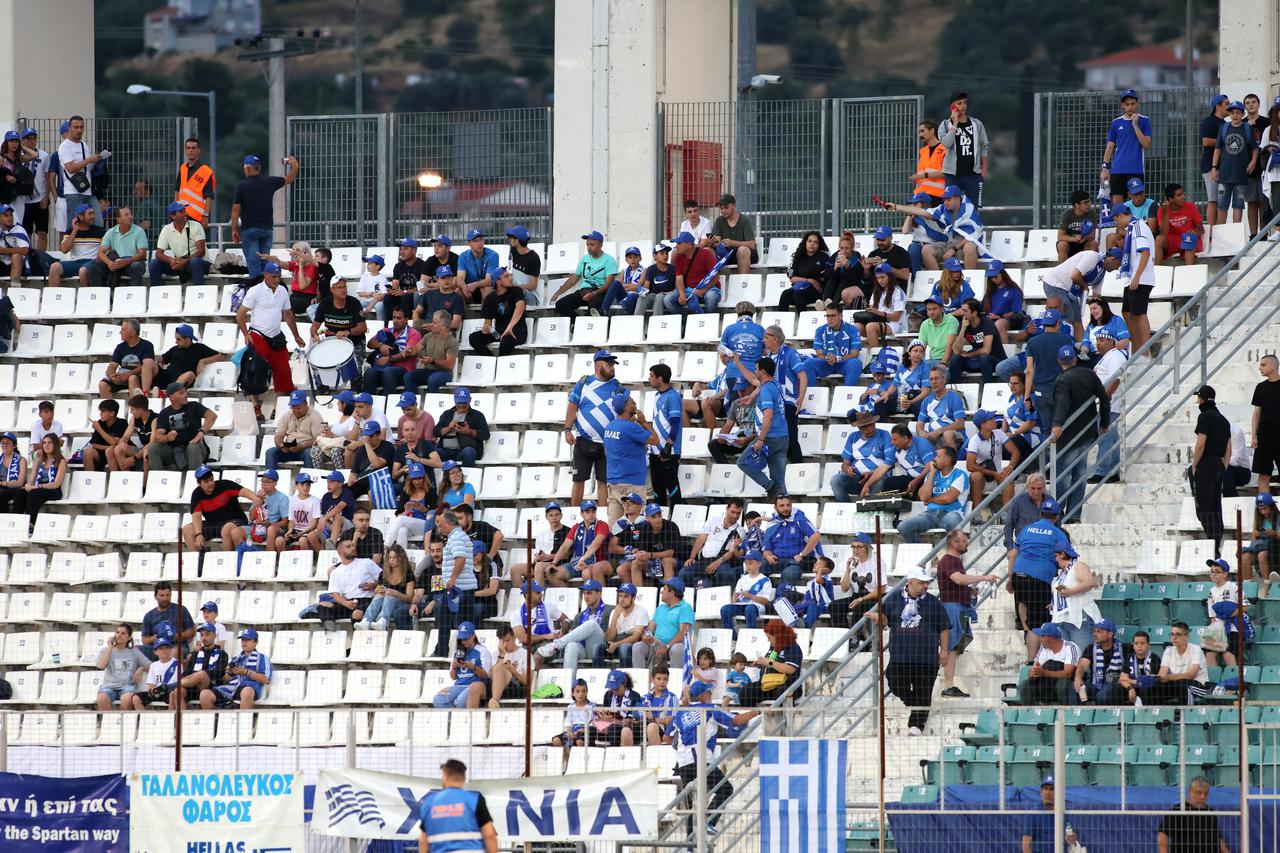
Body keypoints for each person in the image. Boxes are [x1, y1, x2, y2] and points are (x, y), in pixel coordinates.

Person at [670, 681, 759, 839]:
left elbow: (667, 736)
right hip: (701, 759)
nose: (711, 695)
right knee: (725, 789)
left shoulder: (679, 713)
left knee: (691, 805)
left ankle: (691, 845)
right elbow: (737, 720)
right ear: (702, 696)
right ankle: (709, 821)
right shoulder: (709, 709)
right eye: (709, 693)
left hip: (683, 761)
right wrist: (758, 711)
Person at [1050, 344, 1111, 524]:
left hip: (1069, 436)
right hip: (1087, 433)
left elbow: (1062, 404)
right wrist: (1105, 422)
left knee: (1062, 476)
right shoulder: (1089, 373)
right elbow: (1104, 397)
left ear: (1059, 361)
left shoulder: (1062, 380)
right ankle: (1075, 514)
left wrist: (1056, 424)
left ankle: (1057, 514)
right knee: (1079, 475)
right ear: (1075, 359)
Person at [936, 530, 998, 698]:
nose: (966, 543)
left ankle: (949, 684)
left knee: (954, 647)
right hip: (952, 609)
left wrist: (970, 591)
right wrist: (984, 578)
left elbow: (958, 584)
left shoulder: (955, 560)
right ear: (955, 543)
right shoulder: (949, 561)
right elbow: (958, 579)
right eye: (963, 540)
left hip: (957, 608)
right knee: (951, 646)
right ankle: (948, 684)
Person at [236, 261, 307, 398]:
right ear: (265, 275)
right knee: (254, 370)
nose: (277, 279)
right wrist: (246, 334)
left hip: (275, 335)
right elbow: (240, 315)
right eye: (274, 276)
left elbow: (288, 315)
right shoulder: (255, 291)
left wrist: (296, 336)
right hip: (257, 333)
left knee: (283, 372)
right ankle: (256, 407)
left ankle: (279, 408)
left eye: (279, 276)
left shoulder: (282, 291)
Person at [565, 349, 621, 509]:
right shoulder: (583, 383)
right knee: (578, 479)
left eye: (613, 364)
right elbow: (572, 407)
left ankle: (603, 515)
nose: (613, 368)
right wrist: (567, 429)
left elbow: (626, 410)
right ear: (598, 365)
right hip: (584, 441)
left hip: (608, 443)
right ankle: (574, 515)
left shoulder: (617, 386)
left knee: (603, 481)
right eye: (609, 364)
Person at [230, 154, 299, 280]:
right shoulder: (269, 182)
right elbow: (288, 179)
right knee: (265, 263)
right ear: (259, 168)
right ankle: (266, 291)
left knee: (254, 266)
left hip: (249, 230)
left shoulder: (242, 185)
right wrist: (295, 167)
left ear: (248, 168)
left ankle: (258, 292)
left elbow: (235, 210)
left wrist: (234, 229)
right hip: (267, 229)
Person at [416, 759, 500, 853]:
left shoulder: (429, 803)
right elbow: (489, 835)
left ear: (445, 776)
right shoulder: (475, 800)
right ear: (463, 779)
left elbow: (423, 842)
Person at [602, 390, 660, 522]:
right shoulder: (632, 427)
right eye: (631, 401)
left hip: (613, 481)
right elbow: (655, 440)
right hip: (632, 483)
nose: (634, 402)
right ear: (626, 408)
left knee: (614, 527)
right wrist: (644, 422)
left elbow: (606, 452)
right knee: (637, 526)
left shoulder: (609, 427)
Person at [538, 579, 612, 683]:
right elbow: (573, 635)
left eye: (589, 593)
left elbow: (608, 634)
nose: (586, 597)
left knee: (592, 624)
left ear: (599, 593)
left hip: (599, 647)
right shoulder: (579, 616)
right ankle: (569, 685)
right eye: (585, 593)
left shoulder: (610, 609)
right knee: (571, 645)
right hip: (582, 649)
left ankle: (556, 645)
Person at [739, 356, 790, 496]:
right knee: (779, 479)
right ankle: (782, 502)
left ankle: (769, 486)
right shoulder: (775, 385)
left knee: (743, 462)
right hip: (782, 437)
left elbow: (768, 416)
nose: (754, 372)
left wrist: (760, 440)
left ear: (762, 372)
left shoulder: (766, 390)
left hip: (769, 438)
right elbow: (760, 385)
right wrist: (751, 397)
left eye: (756, 370)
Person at [897, 446, 969, 543]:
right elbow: (923, 496)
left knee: (954, 525)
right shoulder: (931, 475)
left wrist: (930, 500)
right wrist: (931, 474)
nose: (934, 459)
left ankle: (953, 557)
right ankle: (925, 555)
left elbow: (948, 498)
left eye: (938, 456)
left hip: (951, 513)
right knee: (904, 526)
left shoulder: (960, 475)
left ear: (947, 461)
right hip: (929, 515)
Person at [1191, 384, 1231, 556]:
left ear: (1202, 399)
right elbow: (1229, 448)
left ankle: (1213, 545)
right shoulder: (1223, 419)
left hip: (1206, 463)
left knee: (1204, 506)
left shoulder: (1205, 417)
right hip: (1218, 464)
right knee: (1216, 505)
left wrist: (1194, 465)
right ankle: (1216, 540)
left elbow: (1201, 444)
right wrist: (1224, 466)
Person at [1098, 88, 1153, 205]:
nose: (1130, 107)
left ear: (1137, 104)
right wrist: (1104, 168)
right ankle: (1119, 223)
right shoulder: (1116, 122)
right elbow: (1110, 146)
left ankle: (1135, 223)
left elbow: (1146, 144)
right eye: (1127, 104)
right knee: (1117, 201)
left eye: (1132, 104)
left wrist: (1135, 125)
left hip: (1136, 168)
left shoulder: (1144, 120)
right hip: (1118, 169)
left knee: (1137, 201)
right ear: (1122, 105)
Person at [797, 305, 862, 402]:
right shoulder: (820, 330)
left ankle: (846, 398)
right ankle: (810, 398)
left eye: (833, 316)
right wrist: (828, 358)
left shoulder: (853, 330)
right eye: (827, 316)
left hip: (844, 363)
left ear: (840, 316)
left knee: (856, 363)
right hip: (826, 363)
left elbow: (854, 354)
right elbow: (819, 353)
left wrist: (837, 359)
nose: (829, 319)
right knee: (808, 363)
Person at [1023, 309, 1074, 432]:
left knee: (1046, 430)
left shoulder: (1033, 342)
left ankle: (1048, 451)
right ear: (1058, 323)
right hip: (1061, 390)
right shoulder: (1066, 340)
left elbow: (1029, 371)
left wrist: (1027, 396)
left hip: (1041, 391)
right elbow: (1071, 366)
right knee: (1063, 428)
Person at [147, 383, 216, 473]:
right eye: (181, 393)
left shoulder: (194, 406)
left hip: (196, 447)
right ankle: (159, 478)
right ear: (172, 397)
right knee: (153, 447)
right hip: (175, 450)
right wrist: (167, 437)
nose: (186, 395)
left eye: (185, 392)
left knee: (193, 446)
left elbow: (212, 416)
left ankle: (194, 479)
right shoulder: (164, 413)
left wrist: (201, 432)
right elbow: (158, 436)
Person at [938, 92, 989, 206]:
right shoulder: (945, 125)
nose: (963, 106)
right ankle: (951, 224)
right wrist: (954, 124)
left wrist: (984, 168)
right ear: (952, 106)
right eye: (959, 103)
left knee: (973, 207)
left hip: (973, 174)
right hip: (952, 175)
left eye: (965, 103)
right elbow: (947, 143)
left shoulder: (977, 124)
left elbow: (984, 145)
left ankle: (971, 224)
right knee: (949, 206)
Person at [551, 229, 618, 315]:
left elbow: (609, 283)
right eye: (587, 244)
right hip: (584, 292)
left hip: (600, 293)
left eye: (592, 244)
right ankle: (578, 323)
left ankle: (586, 325)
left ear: (600, 245)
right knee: (561, 304)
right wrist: (558, 293)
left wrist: (594, 293)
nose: (589, 248)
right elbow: (574, 278)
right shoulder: (584, 259)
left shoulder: (609, 260)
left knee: (592, 308)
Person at [1213, 101, 1258, 225]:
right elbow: (1217, 149)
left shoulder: (1248, 128)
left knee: (1238, 205)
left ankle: (1235, 233)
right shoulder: (1224, 128)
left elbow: (1254, 148)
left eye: (1238, 113)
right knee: (1222, 206)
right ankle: (1221, 233)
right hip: (1224, 173)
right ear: (1229, 114)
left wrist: (1253, 162)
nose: (1235, 115)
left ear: (1243, 114)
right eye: (1232, 113)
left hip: (1241, 173)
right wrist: (1214, 168)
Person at [831, 411, 895, 501]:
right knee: (836, 480)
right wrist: (848, 469)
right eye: (865, 426)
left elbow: (891, 463)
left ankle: (871, 510)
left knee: (880, 481)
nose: (869, 428)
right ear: (859, 427)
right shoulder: (853, 437)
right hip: (857, 478)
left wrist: (873, 473)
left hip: (877, 476)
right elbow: (845, 464)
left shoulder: (884, 435)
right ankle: (846, 509)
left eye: (871, 424)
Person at [1156, 777, 1229, 853]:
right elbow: (1163, 835)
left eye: (1206, 794)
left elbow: (1218, 838)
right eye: (1199, 793)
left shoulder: (1210, 812)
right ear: (1190, 791)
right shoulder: (1178, 810)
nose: (1203, 797)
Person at [761, 495, 822, 586]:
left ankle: (781, 597)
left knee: (788, 574)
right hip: (778, 560)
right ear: (775, 507)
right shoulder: (772, 524)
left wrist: (802, 555)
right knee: (757, 569)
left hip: (797, 561)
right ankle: (753, 597)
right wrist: (769, 556)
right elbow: (767, 550)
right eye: (782, 506)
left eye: (788, 505)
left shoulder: (799, 519)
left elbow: (816, 536)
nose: (786, 508)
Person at [634, 577, 693, 670]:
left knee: (678, 649)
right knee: (638, 646)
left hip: (674, 644)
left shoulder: (685, 608)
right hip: (656, 642)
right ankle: (640, 680)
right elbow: (650, 628)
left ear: (672, 593)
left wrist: (667, 646)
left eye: (664, 589)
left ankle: (673, 680)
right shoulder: (661, 607)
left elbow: (683, 633)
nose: (661, 592)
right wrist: (645, 635)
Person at [149, 201, 210, 286]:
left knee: (194, 262)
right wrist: (171, 260)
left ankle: (198, 295)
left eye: (184, 210)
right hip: (180, 263)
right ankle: (160, 294)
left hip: (200, 262)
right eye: (181, 211)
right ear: (173, 216)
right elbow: (159, 254)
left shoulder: (196, 225)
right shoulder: (166, 229)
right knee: (154, 263)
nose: (185, 213)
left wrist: (184, 261)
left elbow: (201, 251)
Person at [148, 324, 223, 393]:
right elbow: (162, 359)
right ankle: (146, 392)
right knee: (149, 362)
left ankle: (168, 392)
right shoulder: (174, 349)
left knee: (190, 374)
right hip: (166, 377)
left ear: (187, 339)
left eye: (178, 339)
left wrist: (203, 361)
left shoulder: (199, 348)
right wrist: (159, 363)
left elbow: (220, 356)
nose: (176, 342)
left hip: (182, 380)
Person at [648, 364, 684, 506]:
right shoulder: (657, 395)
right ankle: (661, 523)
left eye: (651, 376)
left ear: (660, 379)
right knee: (657, 488)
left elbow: (675, 423)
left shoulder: (673, 396)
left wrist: (668, 445)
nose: (649, 379)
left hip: (669, 450)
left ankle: (676, 518)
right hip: (655, 449)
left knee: (671, 486)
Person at [468, 268, 527, 355]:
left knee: (506, 342)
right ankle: (491, 360)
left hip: (517, 330)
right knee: (473, 338)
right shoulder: (489, 298)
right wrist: (487, 328)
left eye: (510, 275)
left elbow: (520, 307)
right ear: (498, 281)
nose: (510, 278)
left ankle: (500, 364)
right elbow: (487, 323)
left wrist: (510, 327)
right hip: (499, 332)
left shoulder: (516, 290)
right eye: (506, 276)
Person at [1020, 622, 1079, 706]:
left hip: (1065, 685)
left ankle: (1066, 715)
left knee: (1063, 684)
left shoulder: (1070, 647)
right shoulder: (1043, 649)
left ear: (1051, 638)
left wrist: (1044, 673)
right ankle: (1031, 716)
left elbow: (1068, 673)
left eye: (1042, 636)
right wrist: (1033, 673)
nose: (1039, 639)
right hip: (1045, 686)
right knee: (1025, 685)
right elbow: (1032, 671)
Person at [171, 624, 230, 709]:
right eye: (202, 635)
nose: (204, 638)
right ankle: (182, 720)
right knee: (178, 691)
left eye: (207, 634)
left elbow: (218, 673)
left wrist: (199, 676)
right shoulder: (196, 654)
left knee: (202, 674)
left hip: (212, 686)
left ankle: (171, 686)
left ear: (214, 636)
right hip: (194, 687)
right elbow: (187, 672)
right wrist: (196, 677)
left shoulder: (222, 654)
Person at [57, 116, 104, 220]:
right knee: (74, 223)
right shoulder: (65, 146)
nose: (79, 130)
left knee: (98, 221)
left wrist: (97, 160)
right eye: (76, 127)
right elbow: (70, 168)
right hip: (73, 191)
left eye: (81, 127)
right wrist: (90, 160)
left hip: (87, 188)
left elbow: (86, 167)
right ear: (69, 128)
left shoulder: (84, 144)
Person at [14, 433, 65, 528]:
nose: (46, 445)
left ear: (55, 445)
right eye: (44, 443)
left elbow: (56, 484)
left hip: (53, 490)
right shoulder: (39, 460)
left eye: (49, 443)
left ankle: (30, 523)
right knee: (20, 493)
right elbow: (32, 480)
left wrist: (37, 487)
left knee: (34, 492)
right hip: (38, 488)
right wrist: (28, 486)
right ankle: (16, 522)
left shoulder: (61, 461)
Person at [664, 230, 721, 314]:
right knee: (667, 300)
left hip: (708, 288)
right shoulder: (679, 258)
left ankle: (707, 319)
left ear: (689, 244)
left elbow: (715, 277)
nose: (676, 246)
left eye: (679, 243)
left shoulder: (705, 254)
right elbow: (679, 279)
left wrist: (703, 290)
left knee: (711, 297)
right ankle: (685, 321)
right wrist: (682, 293)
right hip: (688, 290)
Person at [949, 298, 1005, 384]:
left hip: (995, 360)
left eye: (965, 311)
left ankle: (988, 387)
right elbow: (956, 351)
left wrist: (969, 355)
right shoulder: (964, 323)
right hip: (977, 360)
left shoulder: (987, 323)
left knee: (984, 357)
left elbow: (986, 350)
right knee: (954, 359)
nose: (961, 313)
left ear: (974, 313)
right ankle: (956, 389)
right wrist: (963, 329)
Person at [404, 310, 460, 393]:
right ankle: (413, 402)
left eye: (434, 323)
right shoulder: (428, 336)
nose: (431, 324)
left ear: (443, 326)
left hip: (444, 373)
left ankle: (431, 403)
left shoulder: (452, 342)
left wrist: (433, 361)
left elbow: (449, 365)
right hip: (428, 371)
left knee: (433, 380)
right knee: (408, 376)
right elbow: (417, 348)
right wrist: (409, 351)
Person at [95, 623, 149, 711]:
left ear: (129, 637)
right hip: (109, 686)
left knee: (127, 699)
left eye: (123, 633)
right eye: (117, 632)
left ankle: (121, 723)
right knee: (101, 698)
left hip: (127, 687)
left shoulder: (134, 651)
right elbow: (101, 665)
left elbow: (151, 666)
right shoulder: (105, 650)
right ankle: (110, 723)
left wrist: (141, 668)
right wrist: (110, 647)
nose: (119, 635)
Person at [99, 319, 157, 399]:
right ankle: (110, 410)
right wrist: (112, 376)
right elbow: (112, 366)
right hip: (122, 376)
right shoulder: (120, 347)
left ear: (132, 333)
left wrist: (128, 374)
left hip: (138, 377)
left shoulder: (146, 345)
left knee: (132, 378)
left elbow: (147, 365)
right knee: (103, 385)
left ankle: (134, 408)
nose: (120, 332)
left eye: (123, 330)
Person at [49, 202, 104, 286]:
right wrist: (75, 231)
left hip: (92, 262)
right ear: (81, 217)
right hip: (75, 263)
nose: (93, 216)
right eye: (90, 214)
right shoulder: (71, 231)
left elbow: (106, 249)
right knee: (54, 267)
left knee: (83, 270)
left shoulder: (100, 231)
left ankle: (85, 297)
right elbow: (64, 250)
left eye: (93, 213)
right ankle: (54, 297)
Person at [140, 581, 196, 660]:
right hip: (157, 647)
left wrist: (177, 636)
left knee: (172, 653)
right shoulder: (149, 616)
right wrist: (152, 639)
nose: (165, 598)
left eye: (167, 595)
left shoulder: (181, 610)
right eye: (162, 595)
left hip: (177, 646)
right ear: (155, 596)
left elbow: (192, 631)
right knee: (136, 651)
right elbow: (144, 639)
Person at [1158, 620, 1210, 705]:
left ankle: (1187, 715)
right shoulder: (1168, 651)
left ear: (1186, 636)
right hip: (1177, 684)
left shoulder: (1196, 649)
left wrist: (1168, 677)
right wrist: (1158, 678)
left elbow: (1191, 675)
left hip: (1198, 686)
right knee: (1158, 687)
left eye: (1178, 634)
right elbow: (1162, 673)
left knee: (1183, 685)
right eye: (1172, 634)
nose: (1174, 637)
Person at [95, 205, 148, 287]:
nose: (130, 216)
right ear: (118, 219)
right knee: (95, 266)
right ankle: (101, 295)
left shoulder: (139, 231)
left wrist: (127, 261)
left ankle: (137, 294)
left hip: (133, 262)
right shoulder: (111, 232)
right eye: (126, 215)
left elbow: (142, 254)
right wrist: (109, 263)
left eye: (130, 214)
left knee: (136, 266)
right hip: (117, 263)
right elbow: (100, 252)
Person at [719, 550, 773, 630]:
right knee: (725, 609)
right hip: (741, 605)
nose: (748, 566)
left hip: (756, 606)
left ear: (759, 564)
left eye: (750, 563)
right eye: (746, 563)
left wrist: (751, 596)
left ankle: (750, 634)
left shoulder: (765, 580)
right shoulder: (742, 579)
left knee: (749, 608)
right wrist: (734, 598)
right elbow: (734, 599)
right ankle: (732, 637)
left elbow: (766, 601)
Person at [434, 387, 489, 466]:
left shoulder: (477, 415)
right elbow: (436, 431)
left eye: (464, 404)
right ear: (455, 401)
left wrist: (469, 432)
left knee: (469, 452)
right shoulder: (447, 414)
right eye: (459, 404)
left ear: (470, 400)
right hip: (445, 450)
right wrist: (449, 428)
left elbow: (485, 434)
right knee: (431, 452)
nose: (461, 407)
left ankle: (466, 476)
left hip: (464, 450)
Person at [1155, 183, 1206, 264]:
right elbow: (1164, 233)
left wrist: (1195, 232)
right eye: (1179, 195)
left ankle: (1189, 270)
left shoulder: (1191, 207)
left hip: (1189, 238)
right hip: (1173, 240)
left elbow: (1201, 230)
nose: (1183, 197)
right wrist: (1166, 214)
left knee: (1188, 238)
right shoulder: (1162, 210)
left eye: (1183, 194)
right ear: (1171, 199)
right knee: (1159, 239)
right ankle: (1156, 271)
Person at [707, 192, 758, 273]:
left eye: (726, 208)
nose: (723, 211)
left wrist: (732, 243)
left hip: (745, 255)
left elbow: (751, 244)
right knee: (708, 251)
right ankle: (712, 282)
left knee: (743, 250)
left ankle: (742, 282)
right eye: (721, 208)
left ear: (734, 206)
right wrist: (711, 243)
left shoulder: (744, 220)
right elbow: (717, 242)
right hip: (726, 254)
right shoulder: (719, 220)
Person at [777, 231, 828, 312]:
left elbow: (827, 276)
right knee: (785, 294)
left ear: (819, 245)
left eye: (815, 242)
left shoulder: (823, 257)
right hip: (799, 288)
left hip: (815, 291)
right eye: (810, 241)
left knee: (798, 294)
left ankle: (803, 320)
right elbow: (793, 278)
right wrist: (810, 280)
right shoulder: (799, 256)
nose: (812, 244)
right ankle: (781, 321)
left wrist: (815, 284)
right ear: (805, 242)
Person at [1253, 354, 1280, 495]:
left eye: (1263, 365)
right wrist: (1253, 436)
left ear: (1273, 366)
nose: (1260, 368)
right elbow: (1257, 413)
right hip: (1264, 436)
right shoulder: (1260, 387)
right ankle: (1264, 515)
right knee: (1263, 475)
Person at [174, 136, 215, 225]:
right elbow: (177, 190)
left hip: (197, 218)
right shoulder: (183, 168)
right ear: (185, 150)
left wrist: (206, 216)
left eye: (193, 148)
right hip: (181, 215)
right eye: (188, 148)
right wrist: (175, 210)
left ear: (198, 150)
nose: (190, 150)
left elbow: (209, 196)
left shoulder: (206, 171)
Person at [456, 228, 501, 304]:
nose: (479, 243)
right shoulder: (463, 256)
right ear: (469, 243)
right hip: (470, 289)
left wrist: (476, 284)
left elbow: (489, 281)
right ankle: (462, 316)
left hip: (484, 287)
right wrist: (464, 289)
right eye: (475, 241)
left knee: (486, 289)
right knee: (458, 291)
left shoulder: (493, 255)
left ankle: (485, 315)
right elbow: (460, 278)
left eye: (481, 240)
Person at [81, 399, 127, 472]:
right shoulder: (100, 423)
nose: (100, 414)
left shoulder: (122, 423)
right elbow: (94, 444)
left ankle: (115, 479)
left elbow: (114, 442)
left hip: (116, 453)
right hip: (103, 452)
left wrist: (99, 428)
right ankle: (90, 479)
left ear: (112, 413)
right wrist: (107, 447)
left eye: (103, 411)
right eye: (100, 411)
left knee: (110, 451)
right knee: (87, 451)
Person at [1055, 191, 1099, 262]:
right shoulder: (1067, 214)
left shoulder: (1091, 213)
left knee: (1094, 244)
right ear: (1077, 205)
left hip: (1084, 242)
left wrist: (1084, 237)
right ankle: (1063, 270)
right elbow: (1060, 236)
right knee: (1062, 245)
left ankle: (1088, 270)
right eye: (1085, 203)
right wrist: (1074, 238)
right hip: (1070, 243)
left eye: (1089, 201)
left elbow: (1092, 235)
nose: (1089, 204)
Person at [911, 119, 946, 202]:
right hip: (922, 193)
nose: (920, 134)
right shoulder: (923, 151)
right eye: (919, 132)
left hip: (938, 195)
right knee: (912, 213)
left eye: (922, 131)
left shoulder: (944, 149)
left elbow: (945, 173)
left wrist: (924, 175)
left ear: (932, 131)